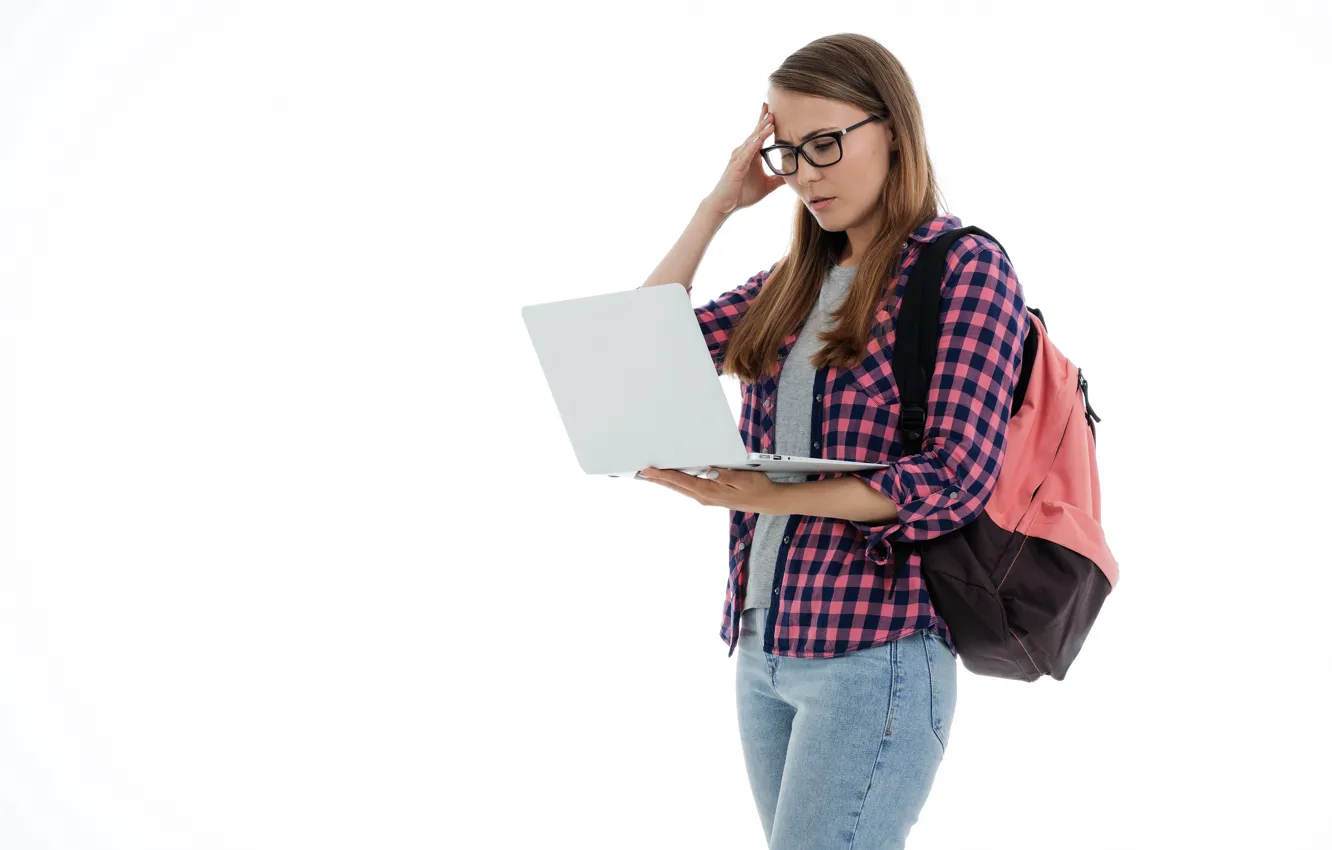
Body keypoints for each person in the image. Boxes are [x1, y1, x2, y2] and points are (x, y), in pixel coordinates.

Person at [637, 33, 1029, 850]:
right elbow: (633, 358)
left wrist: (761, 494)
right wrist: (717, 205)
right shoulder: (791, 286)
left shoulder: (963, 270)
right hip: (762, 645)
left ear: (892, 130)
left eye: (825, 144)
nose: (806, 173)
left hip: (874, 651)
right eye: (788, 154)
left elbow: (953, 476)